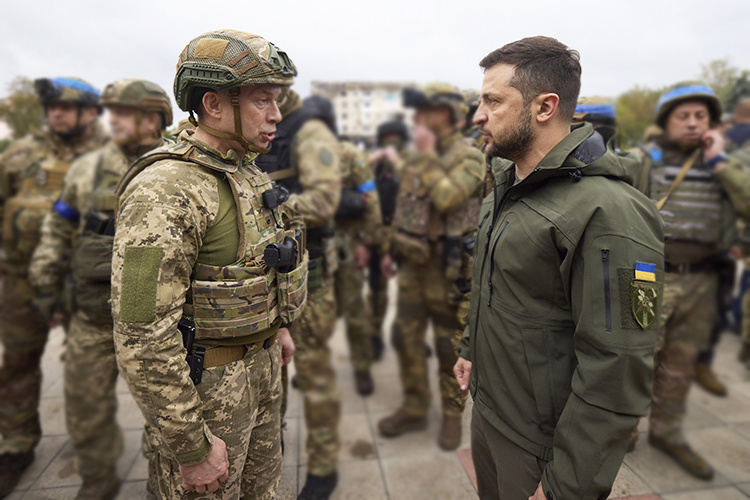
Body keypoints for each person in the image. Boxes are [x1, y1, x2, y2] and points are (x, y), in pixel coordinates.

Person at [454, 36, 664, 500]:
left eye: (492, 100)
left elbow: (618, 365)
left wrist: (566, 485)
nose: (478, 115)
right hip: (490, 410)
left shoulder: (609, 213)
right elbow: (497, 286)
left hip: (541, 444)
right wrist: (471, 347)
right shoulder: (506, 185)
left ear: (544, 107)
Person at [111, 30, 305, 499]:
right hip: (205, 395)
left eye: (276, 100)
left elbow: (259, 264)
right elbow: (141, 331)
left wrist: (276, 325)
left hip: (259, 377)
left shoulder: (245, 171)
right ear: (215, 105)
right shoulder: (165, 189)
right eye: (263, 100)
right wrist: (190, 446)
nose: (276, 114)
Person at [28, 78, 172, 499]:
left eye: (123, 113)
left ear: (152, 118)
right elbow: (58, 226)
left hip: (156, 326)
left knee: (168, 417)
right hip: (93, 317)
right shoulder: (87, 169)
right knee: (85, 411)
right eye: (111, 112)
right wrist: (44, 281)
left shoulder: (176, 169)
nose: (113, 121)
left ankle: (164, 486)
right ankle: (98, 483)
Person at [630, 81, 744, 480]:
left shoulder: (725, 163)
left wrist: (721, 163)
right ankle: (625, 428)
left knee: (681, 363)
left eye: (701, 116)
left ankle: (667, 432)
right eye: (684, 116)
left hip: (702, 279)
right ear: (666, 122)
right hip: (651, 274)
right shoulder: (646, 159)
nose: (694, 123)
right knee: (640, 356)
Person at [0, 76, 107, 497]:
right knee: (18, 362)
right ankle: (15, 445)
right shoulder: (22, 153)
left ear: (90, 112)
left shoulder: (110, 154)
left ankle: (96, 451)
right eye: (51, 107)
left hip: (85, 284)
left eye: (64, 106)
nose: (55, 113)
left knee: (90, 371)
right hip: (23, 280)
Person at [377, 82, 484, 451]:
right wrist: (391, 249)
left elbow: (448, 197)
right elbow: (405, 206)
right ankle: (414, 406)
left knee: (448, 347)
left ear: (450, 115)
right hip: (413, 268)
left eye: (426, 110)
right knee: (406, 340)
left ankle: (453, 416)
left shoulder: (470, 157)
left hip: (450, 272)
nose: (418, 117)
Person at [254, 89, 342, 499]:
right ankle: (274, 451)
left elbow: (325, 202)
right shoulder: (246, 132)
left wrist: (267, 207)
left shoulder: (308, 132)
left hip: (309, 282)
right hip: (261, 284)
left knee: (316, 376)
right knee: (270, 380)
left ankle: (323, 466)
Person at [330, 102, 383, 396]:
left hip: (348, 243)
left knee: (353, 308)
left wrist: (366, 242)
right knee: (314, 314)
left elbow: (371, 199)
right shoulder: (305, 156)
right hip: (313, 245)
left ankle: (361, 368)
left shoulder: (351, 155)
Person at [366, 118, 409, 360]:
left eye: (396, 137)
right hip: (377, 233)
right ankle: (374, 336)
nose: (392, 142)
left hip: (406, 233)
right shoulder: (375, 163)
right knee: (376, 289)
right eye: (388, 137)